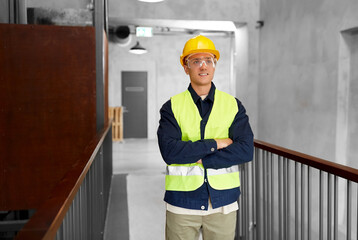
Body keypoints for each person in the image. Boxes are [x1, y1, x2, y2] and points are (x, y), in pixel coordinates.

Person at [157, 35, 254, 240]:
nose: (203, 66)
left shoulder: (233, 105)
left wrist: (202, 157)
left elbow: (245, 149)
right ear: (186, 67)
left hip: (223, 203)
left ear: (214, 65)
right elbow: (170, 152)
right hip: (182, 204)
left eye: (209, 60)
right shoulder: (171, 107)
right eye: (196, 61)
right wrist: (215, 143)